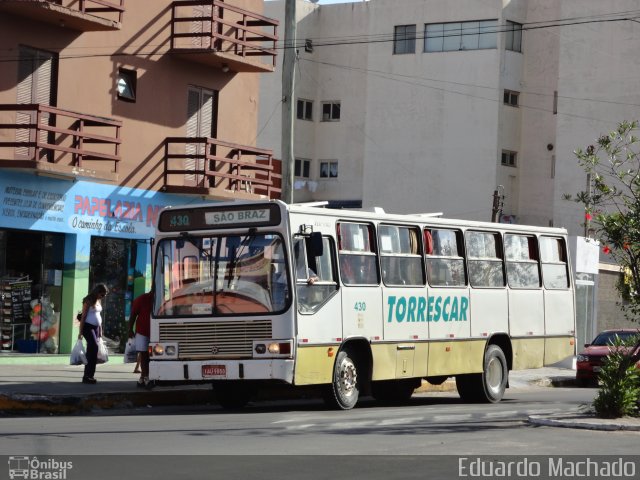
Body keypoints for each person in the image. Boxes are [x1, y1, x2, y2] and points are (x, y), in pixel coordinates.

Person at [78, 283, 108, 384]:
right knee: (93, 347)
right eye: (102, 295)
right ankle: (87, 375)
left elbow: (98, 315)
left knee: (93, 351)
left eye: (105, 295)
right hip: (88, 327)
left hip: (96, 327)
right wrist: (80, 332)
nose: (103, 297)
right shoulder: (88, 300)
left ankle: (90, 375)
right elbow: (83, 316)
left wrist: (100, 329)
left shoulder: (98, 300)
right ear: (97, 292)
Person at [128, 290, 153, 388]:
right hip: (142, 332)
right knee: (144, 354)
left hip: (157, 332)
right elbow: (133, 314)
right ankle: (145, 376)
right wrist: (130, 329)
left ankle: (144, 377)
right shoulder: (142, 299)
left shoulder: (161, 298)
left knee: (151, 356)